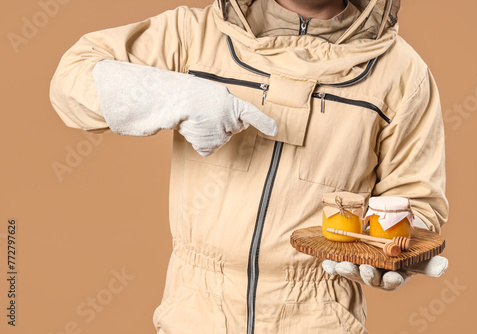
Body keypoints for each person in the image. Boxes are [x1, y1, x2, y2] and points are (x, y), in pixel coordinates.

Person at [49, 0, 449, 332]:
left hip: (320, 318)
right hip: (194, 315)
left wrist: (385, 252)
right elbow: (72, 81)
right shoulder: (193, 35)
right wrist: (178, 95)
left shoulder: (404, 75)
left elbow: (416, 202)